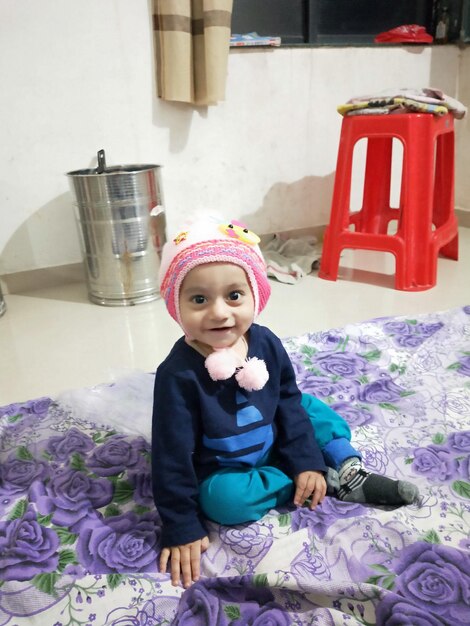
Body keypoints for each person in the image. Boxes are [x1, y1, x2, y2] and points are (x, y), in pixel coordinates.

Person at [152, 217, 419, 589]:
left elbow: (288, 402)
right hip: (228, 467)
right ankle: (315, 479)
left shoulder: (265, 342)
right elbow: (171, 453)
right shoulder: (177, 375)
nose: (219, 312)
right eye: (199, 299)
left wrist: (305, 457)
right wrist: (180, 522)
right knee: (222, 502)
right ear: (176, 305)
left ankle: (346, 465)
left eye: (234, 296)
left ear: (255, 294)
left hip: (273, 431)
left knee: (308, 407)